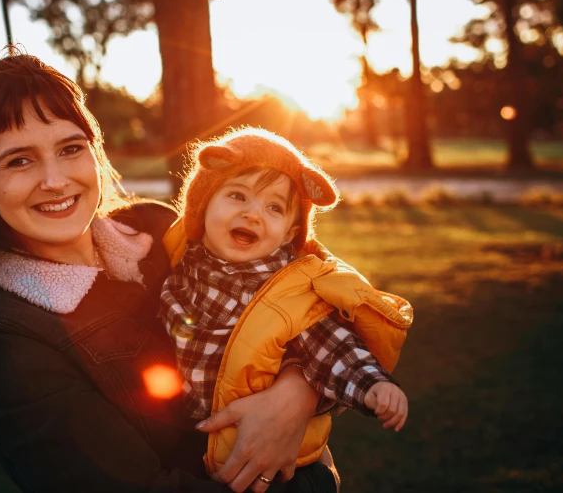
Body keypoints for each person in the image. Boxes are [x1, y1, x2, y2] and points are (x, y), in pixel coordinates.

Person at [0, 52, 339, 493]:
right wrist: (315, 481)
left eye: (70, 149)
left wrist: (297, 392)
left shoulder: (160, 228)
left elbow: (303, 298)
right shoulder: (4, 339)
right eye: (19, 160)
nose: (56, 180)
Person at [158, 128, 414, 476]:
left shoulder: (288, 290)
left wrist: (373, 385)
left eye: (274, 207)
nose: (253, 214)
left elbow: (333, 347)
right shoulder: (181, 266)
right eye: (237, 195)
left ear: (291, 233)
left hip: (268, 452)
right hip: (192, 446)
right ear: (204, 205)